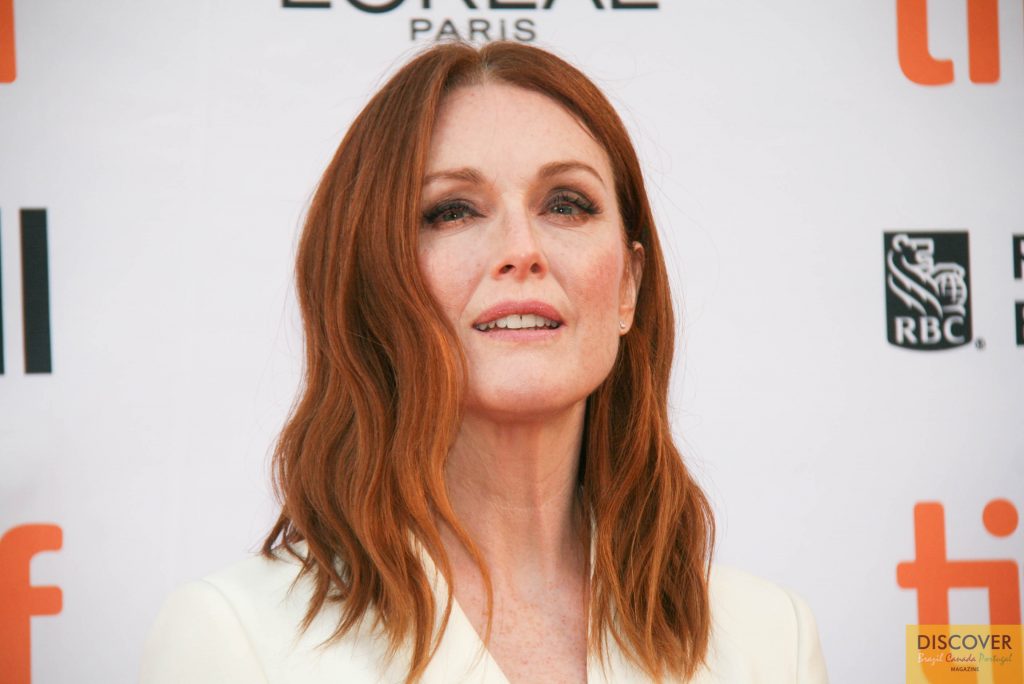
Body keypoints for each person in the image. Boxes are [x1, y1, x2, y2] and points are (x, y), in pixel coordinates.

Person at [140, 40, 829, 684]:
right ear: (369, 283)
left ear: (628, 285)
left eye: (567, 205)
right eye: (453, 211)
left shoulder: (772, 638)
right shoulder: (236, 637)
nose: (521, 249)